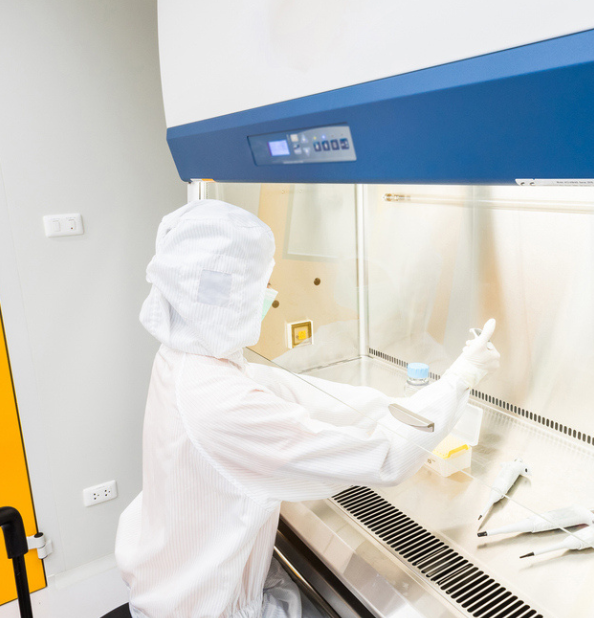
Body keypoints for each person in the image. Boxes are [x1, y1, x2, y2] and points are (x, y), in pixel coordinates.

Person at [115, 200, 500, 618]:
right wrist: (461, 379)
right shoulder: (221, 404)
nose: (267, 296)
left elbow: (293, 391)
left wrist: (407, 404)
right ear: (226, 298)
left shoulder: (185, 359)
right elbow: (385, 460)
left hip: (174, 585)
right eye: (259, 287)